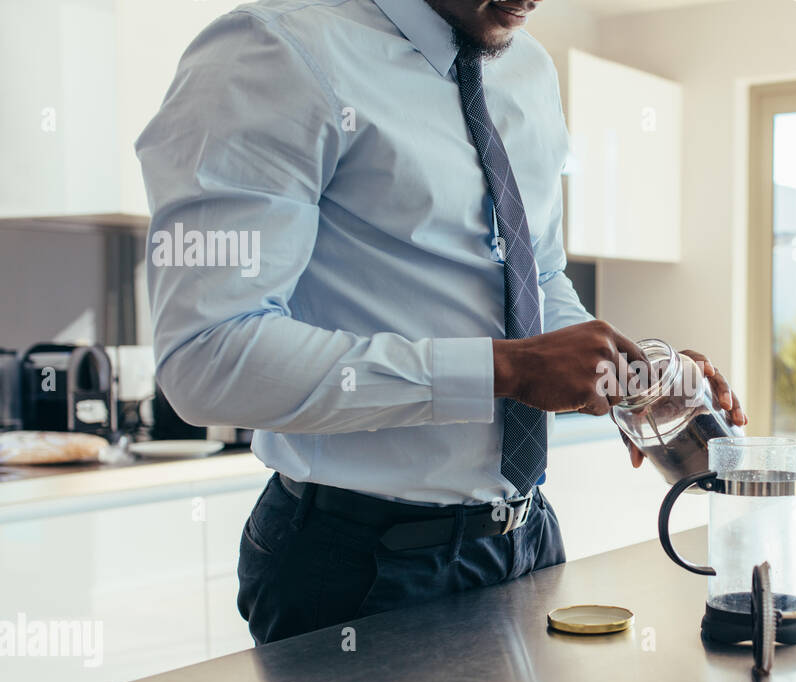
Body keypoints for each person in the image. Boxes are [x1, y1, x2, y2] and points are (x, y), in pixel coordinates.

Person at [136, 0, 744, 644]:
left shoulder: (527, 68)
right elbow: (207, 357)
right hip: (358, 565)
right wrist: (503, 370)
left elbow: (535, 277)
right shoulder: (275, 51)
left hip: (527, 539)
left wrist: (634, 369)